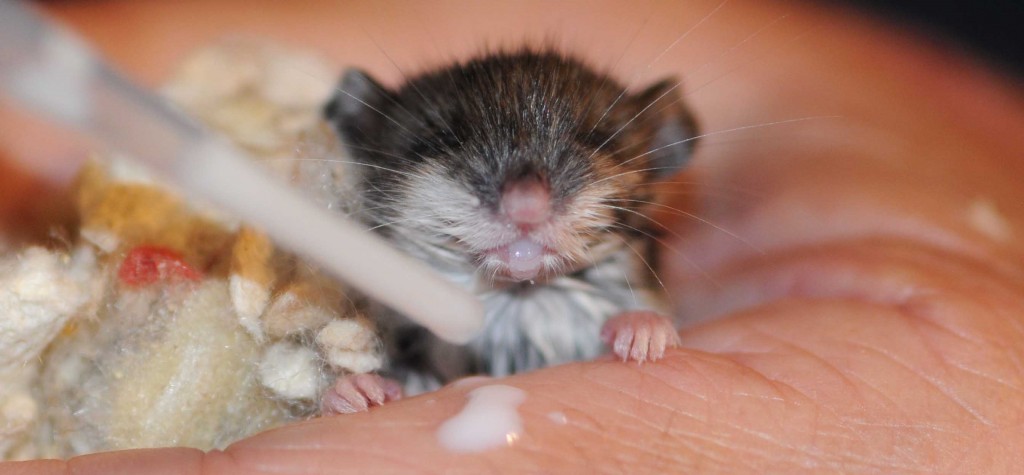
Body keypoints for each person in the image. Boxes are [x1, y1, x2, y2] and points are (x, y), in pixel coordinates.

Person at [3, 0, 1023, 472]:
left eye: (583, 152)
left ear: (659, 153)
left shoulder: (633, 270)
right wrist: (379, 388)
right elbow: (396, 352)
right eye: (455, 155)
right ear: (364, 152)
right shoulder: (354, 284)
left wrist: (645, 329)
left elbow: (644, 310)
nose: (527, 203)